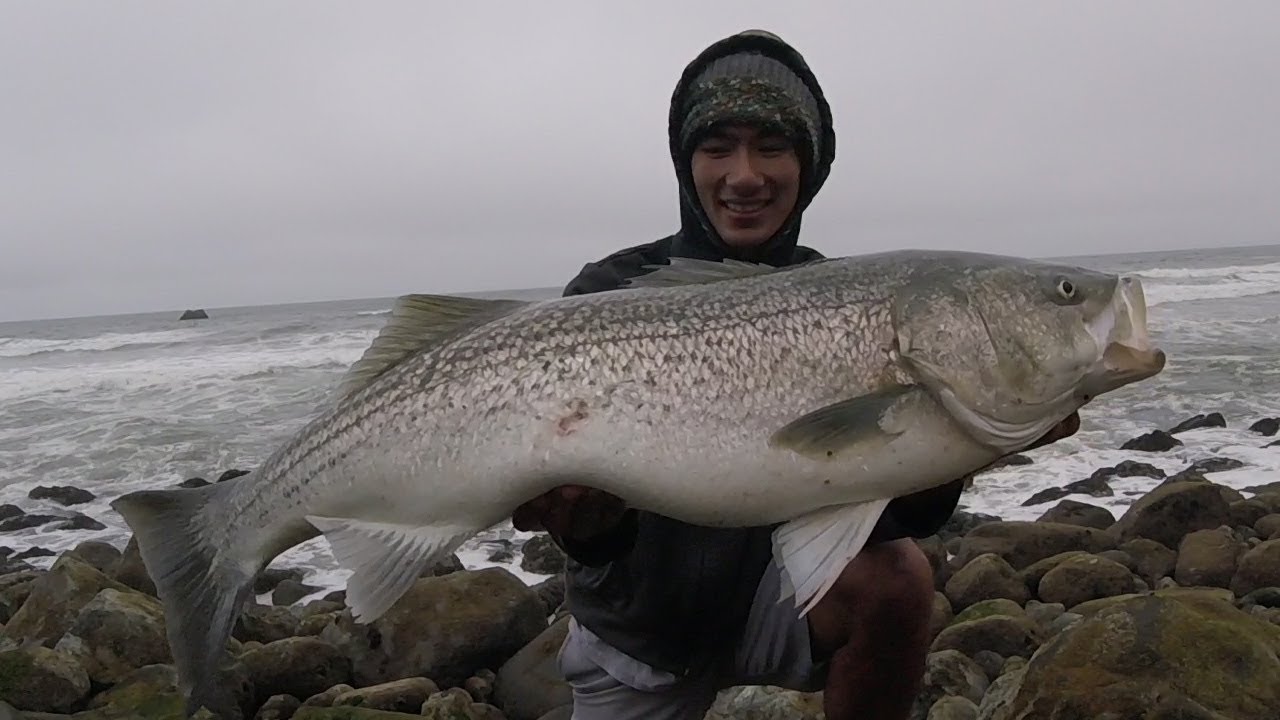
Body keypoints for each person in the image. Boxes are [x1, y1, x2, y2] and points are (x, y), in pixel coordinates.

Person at [513, 29, 1079, 720]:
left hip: (777, 605)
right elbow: (588, 531)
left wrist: (970, 441)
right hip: (637, 637)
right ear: (685, 164)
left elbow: (888, 506)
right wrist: (589, 528)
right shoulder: (611, 292)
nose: (745, 175)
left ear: (809, 164)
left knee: (898, 578)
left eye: (773, 147)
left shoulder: (843, 295)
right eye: (717, 148)